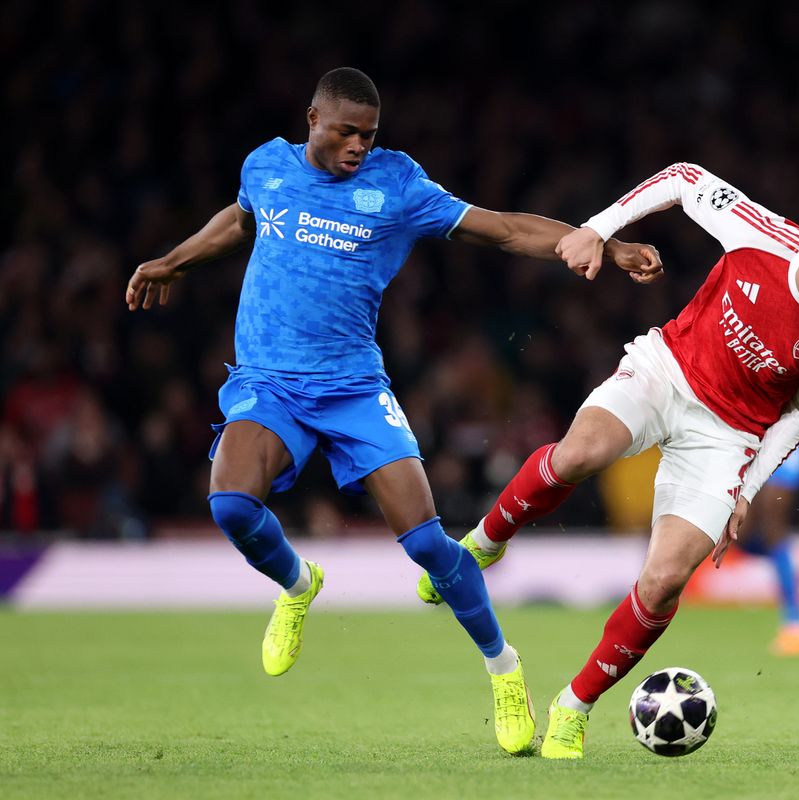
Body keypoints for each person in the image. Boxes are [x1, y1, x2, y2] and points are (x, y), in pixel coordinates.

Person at [124, 67, 661, 755]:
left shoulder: (398, 185)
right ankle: (297, 582)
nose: (356, 146)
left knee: (429, 545)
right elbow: (244, 216)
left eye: (367, 135)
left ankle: (504, 668)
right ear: (312, 118)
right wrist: (177, 260)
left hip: (351, 386)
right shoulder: (266, 165)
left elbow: (500, 229)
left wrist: (604, 243)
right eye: (345, 131)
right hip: (269, 381)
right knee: (230, 505)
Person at [417, 162, 799, 758]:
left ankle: (574, 707)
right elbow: (683, 178)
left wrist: (749, 486)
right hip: (668, 371)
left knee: (665, 581)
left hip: (729, 438)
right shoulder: (760, 234)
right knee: (578, 454)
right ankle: (483, 543)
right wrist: (596, 228)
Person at [736, 433, 799, 656]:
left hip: (790, 433)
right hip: (752, 433)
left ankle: (796, 624)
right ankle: (793, 558)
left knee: (773, 519)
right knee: (740, 533)